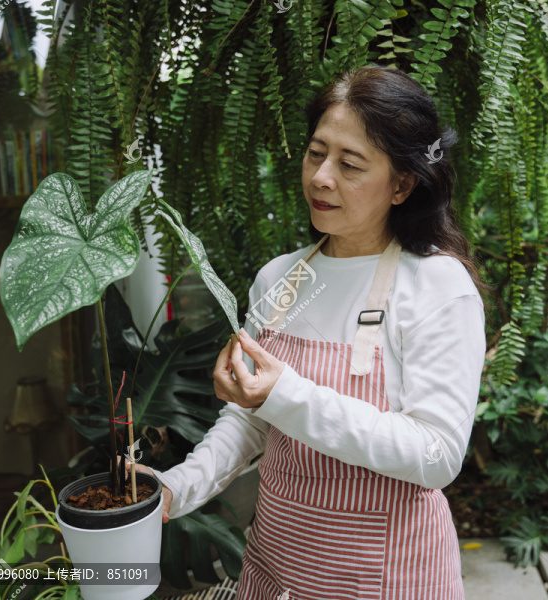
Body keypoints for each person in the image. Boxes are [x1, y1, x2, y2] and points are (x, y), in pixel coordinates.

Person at [129, 64, 490, 600]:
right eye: (317, 153)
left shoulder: (437, 286)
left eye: (350, 164)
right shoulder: (278, 280)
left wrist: (286, 394)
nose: (322, 177)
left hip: (388, 576)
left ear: (402, 184)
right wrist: (172, 491)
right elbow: (248, 424)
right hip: (279, 566)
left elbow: (435, 455)